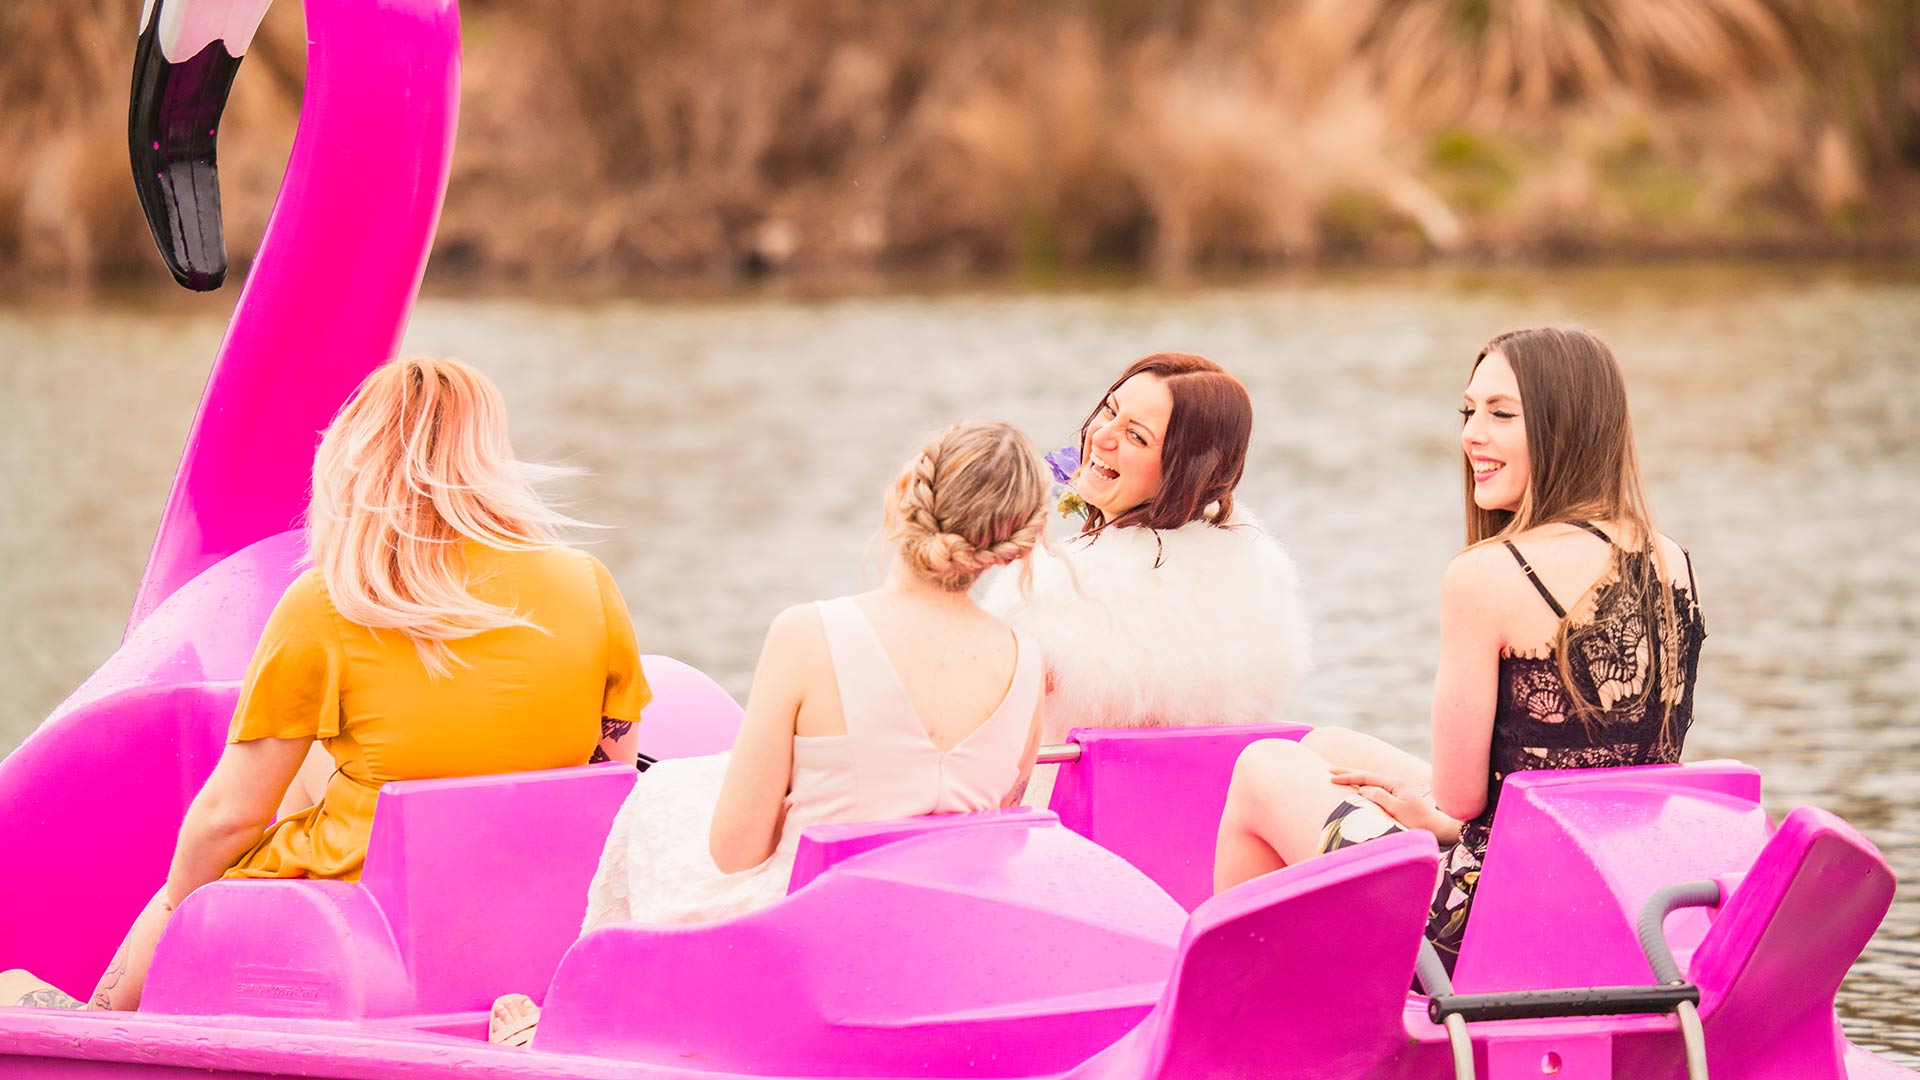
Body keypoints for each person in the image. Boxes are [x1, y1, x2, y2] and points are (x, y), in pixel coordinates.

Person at [0, 357, 646, 1012]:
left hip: (368, 902)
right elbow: (608, 774)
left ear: (352, 461)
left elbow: (231, 815)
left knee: (223, 834)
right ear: (489, 459)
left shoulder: (330, 602)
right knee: (328, 747)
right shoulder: (587, 583)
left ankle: (103, 1019)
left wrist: (176, 898)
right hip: (526, 896)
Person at [488, 419, 1051, 1047]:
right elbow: (994, 835)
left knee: (663, 791)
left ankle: (586, 1031)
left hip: (805, 949)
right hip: (933, 955)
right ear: (1020, 544)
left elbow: (736, 850)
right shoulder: (1027, 661)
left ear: (901, 494)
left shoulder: (809, 633)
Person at [1213, 326, 1707, 973]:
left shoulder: (1489, 573)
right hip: (1608, 881)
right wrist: (1439, 814)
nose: (1473, 434)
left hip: (1485, 912)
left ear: (1566, 425)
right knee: (1324, 746)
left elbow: (1461, 798)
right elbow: (1585, 780)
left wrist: (1435, 819)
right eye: (1469, 412)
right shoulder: (1667, 558)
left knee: (1262, 769)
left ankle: (1248, 1011)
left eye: (1501, 413)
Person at [981, 352, 1309, 807]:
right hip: (1210, 824)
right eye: (1111, 411)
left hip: (1073, 829)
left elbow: (978, 710)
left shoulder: (1060, 583)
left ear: (1184, 469)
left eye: (1136, 436)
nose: (1102, 436)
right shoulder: (1260, 569)